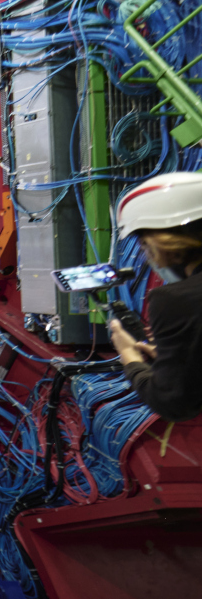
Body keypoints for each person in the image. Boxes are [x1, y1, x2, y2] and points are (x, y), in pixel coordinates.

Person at [107, 172, 202, 422]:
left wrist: (130, 356)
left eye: (145, 247)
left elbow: (175, 403)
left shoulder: (174, 300)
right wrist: (177, 355)